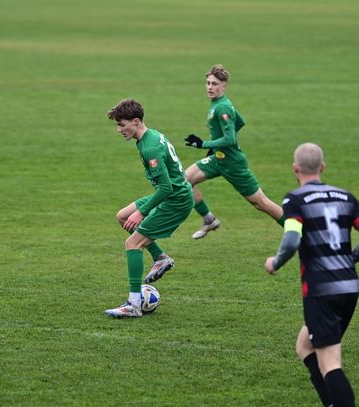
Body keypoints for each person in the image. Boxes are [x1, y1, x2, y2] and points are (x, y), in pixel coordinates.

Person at [265, 143, 359, 407]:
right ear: (323, 167)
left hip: (321, 289)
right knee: (305, 346)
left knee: (330, 362)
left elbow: (292, 239)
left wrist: (275, 262)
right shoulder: (346, 197)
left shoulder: (295, 200)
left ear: (295, 169)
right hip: (349, 287)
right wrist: (351, 257)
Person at [105, 99, 194, 318]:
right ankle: (160, 257)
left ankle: (134, 304)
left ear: (136, 121)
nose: (119, 130)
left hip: (175, 199)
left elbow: (166, 188)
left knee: (132, 243)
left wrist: (142, 212)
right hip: (171, 194)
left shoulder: (150, 148)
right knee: (123, 216)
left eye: (122, 125)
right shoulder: (150, 136)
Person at [184, 64, 284, 239]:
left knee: (261, 204)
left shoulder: (222, 107)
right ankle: (209, 220)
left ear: (224, 85)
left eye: (214, 84)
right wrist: (215, 147)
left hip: (232, 163)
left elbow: (229, 139)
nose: (210, 87)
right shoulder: (217, 104)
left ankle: (299, 230)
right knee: (184, 181)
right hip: (218, 159)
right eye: (208, 83)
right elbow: (240, 121)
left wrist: (203, 144)